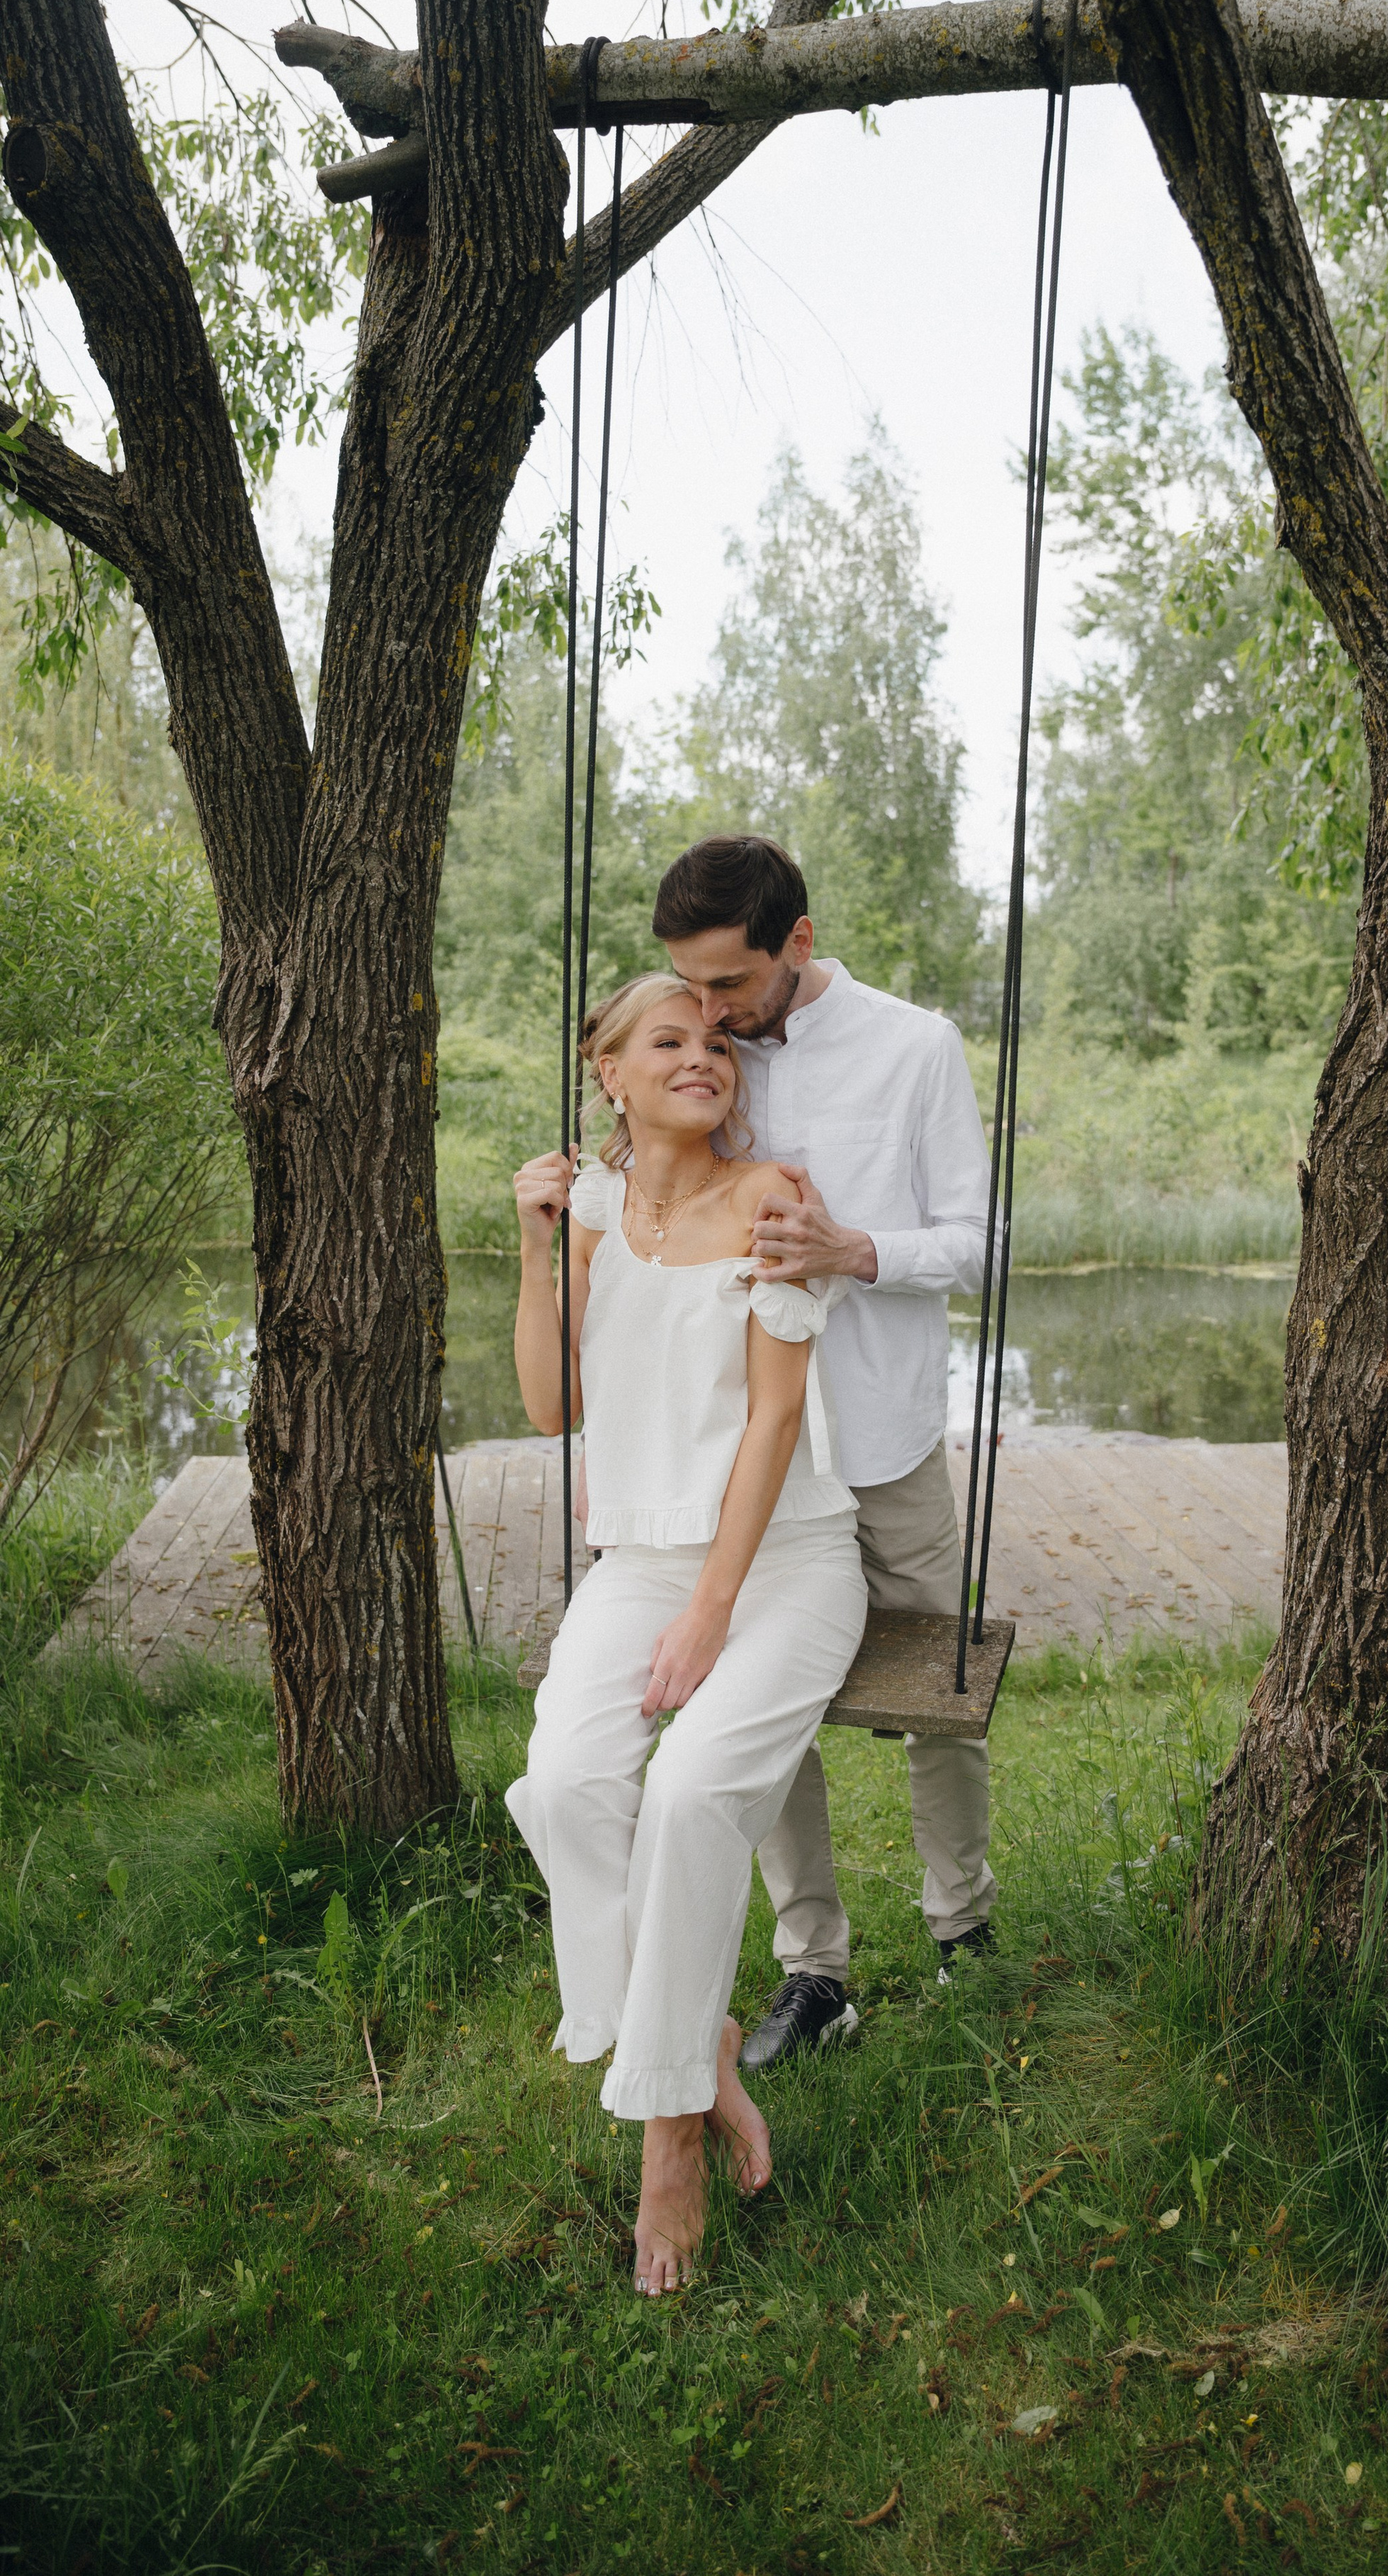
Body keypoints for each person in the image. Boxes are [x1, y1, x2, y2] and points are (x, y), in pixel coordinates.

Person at [504, 972, 867, 2293]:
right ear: (611, 1074)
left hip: (784, 1563)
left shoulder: (772, 1199)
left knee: (696, 1791)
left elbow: (774, 1422)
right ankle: (699, 2043)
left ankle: (668, 2137)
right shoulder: (595, 1212)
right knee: (566, 1783)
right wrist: (537, 1248)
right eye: (669, 1039)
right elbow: (554, 1412)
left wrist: (714, 1610)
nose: (702, 1054)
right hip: (640, 1559)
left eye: (718, 1038)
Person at [653, 834, 1000, 2072]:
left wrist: (856, 1250)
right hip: (757, 1454)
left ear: (796, 945)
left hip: (886, 1440)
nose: (710, 1015)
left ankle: (963, 1929)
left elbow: (979, 1245)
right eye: (690, 987)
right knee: (765, 1713)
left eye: (730, 985)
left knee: (939, 1707)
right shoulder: (702, 1054)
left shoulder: (917, 1047)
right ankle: (816, 1971)